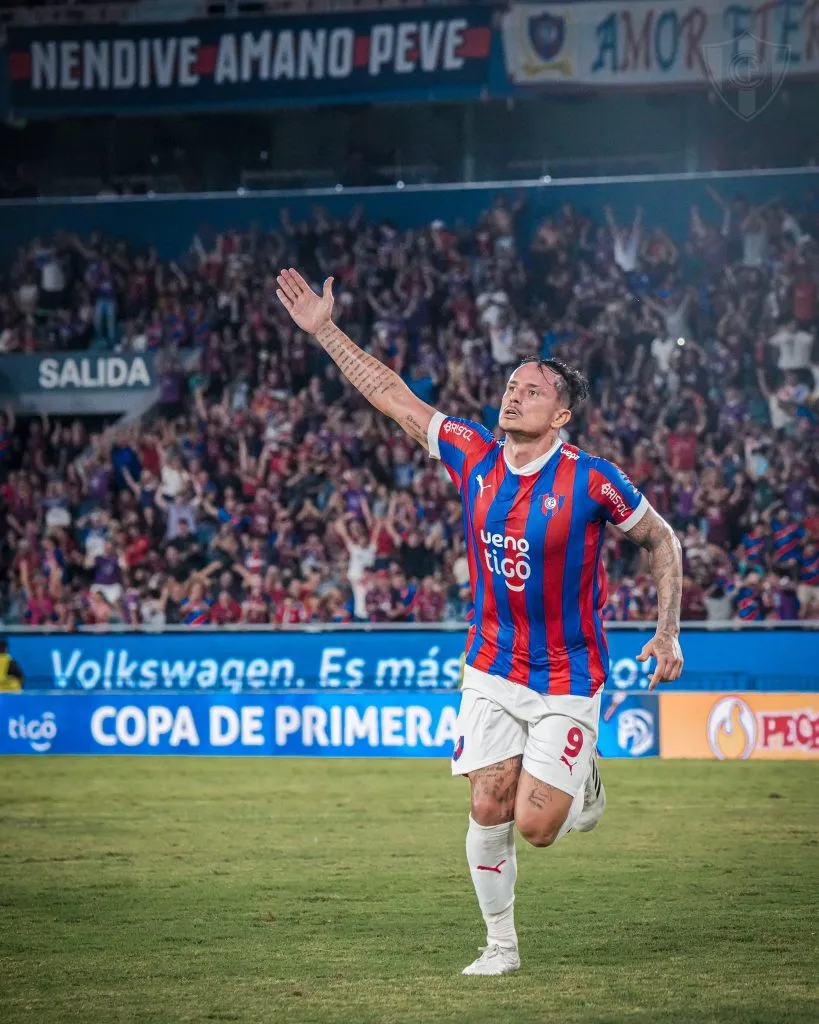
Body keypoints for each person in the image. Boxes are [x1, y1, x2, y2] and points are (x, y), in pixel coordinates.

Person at [303, 269, 690, 972]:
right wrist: (325, 330)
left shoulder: (591, 478)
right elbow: (392, 394)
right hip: (488, 664)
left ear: (561, 414)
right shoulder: (473, 453)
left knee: (537, 827)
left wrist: (665, 631)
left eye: (532, 390)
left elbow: (661, 538)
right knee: (487, 804)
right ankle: (500, 948)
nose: (513, 394)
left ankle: (583, 779)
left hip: (567, 674)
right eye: (511, 385)